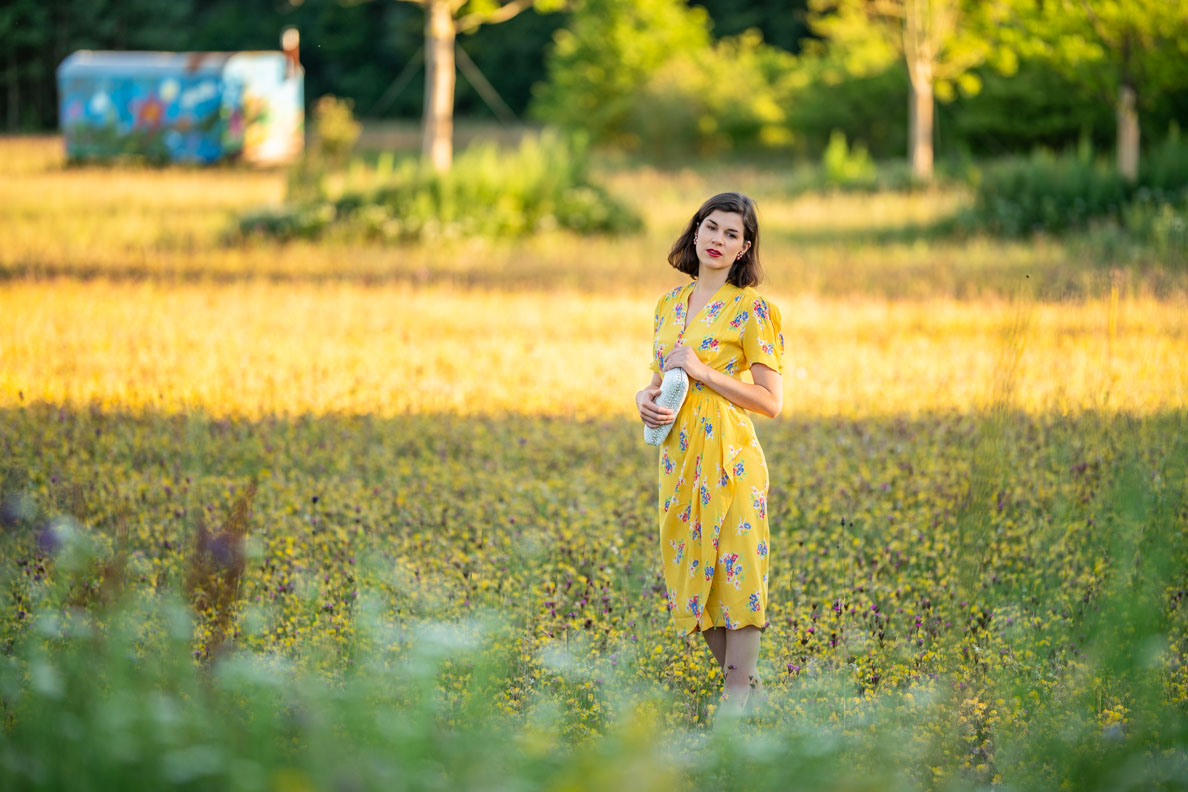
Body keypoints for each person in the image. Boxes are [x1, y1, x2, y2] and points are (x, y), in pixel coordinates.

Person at [635, 191, 784, 724]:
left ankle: (733, 713)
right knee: (693, 577)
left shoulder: (754, 310)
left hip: (731, 458)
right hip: (678, 458)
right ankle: (751, 697)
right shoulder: (668, 305)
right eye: (712, 228)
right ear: (695, 231)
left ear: (744, 249)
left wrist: (705, 372)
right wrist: (643, 399)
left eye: (732, 235)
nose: (719, 241)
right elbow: (661, 379)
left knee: (736, 574)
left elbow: (770, 401)